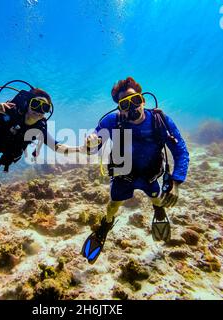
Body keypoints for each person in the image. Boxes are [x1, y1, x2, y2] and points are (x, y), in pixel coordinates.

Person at [79, 77, 190, 264]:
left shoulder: (159, 120)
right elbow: (94, 144)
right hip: (123, 176)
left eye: (135, 100)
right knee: (113, 205)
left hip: (150, 174)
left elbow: (180, 150)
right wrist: (91, 142)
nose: (132, 107)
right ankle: (105, 226)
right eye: (124, 104)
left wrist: (176, 183)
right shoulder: (112, 121)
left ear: (143, 100)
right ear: (119, 108)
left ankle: (159, 210)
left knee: (156, 197)